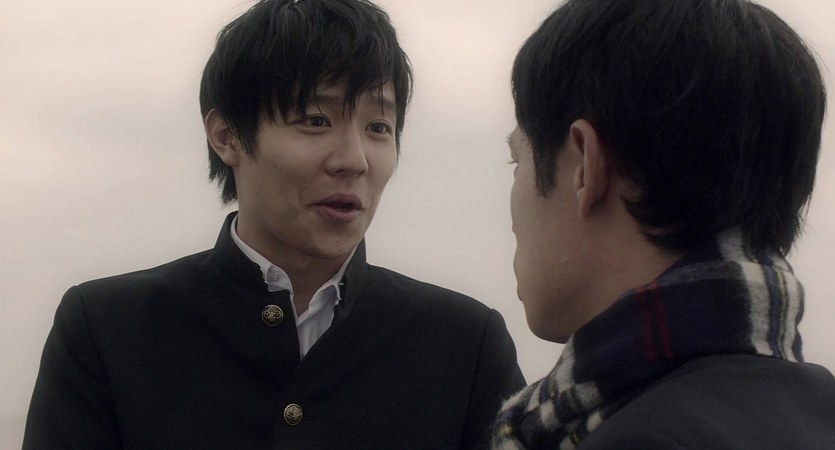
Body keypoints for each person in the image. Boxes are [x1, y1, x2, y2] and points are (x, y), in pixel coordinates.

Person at [23, 0, 525, 448]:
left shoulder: (465, 344)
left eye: (378, 126)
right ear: (226, 136)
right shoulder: (107, 330)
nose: (354, 160)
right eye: (315, 120)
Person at [492, 0, 835, 448]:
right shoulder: (814, 410)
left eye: (516, 161)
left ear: (584, 166)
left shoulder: (640, 437)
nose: (511, 220)